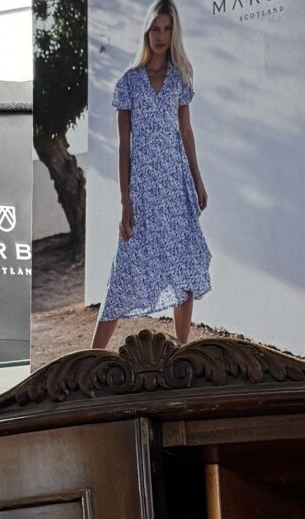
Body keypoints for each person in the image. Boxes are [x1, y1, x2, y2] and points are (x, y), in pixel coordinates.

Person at [92, 4, 211, 350]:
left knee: (185, 268)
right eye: (155, 29)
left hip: (176, 185)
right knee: (124, 271)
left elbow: (186, 133)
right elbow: (123, 147)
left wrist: (198, 181)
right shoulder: (128, 82)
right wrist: (125, 201)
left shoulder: (180, 78)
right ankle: (89, 358)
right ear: (146, 32)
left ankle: (180, 354)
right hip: (142, 190)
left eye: (167, 29)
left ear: (175, 33)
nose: (161, 36)